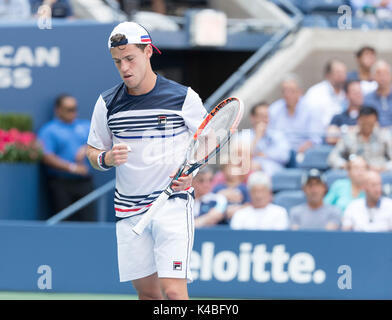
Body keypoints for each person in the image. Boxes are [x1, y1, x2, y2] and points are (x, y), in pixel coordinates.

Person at [86, 22, 207, 300]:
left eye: (130, 58)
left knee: (174, 293)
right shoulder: (106, 103)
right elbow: (92, 152)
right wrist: (106, 158)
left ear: (148, 52)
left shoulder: (183, 97)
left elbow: (210, 140)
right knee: (149, 296)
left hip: (172, 204)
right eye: (118, 62)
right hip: (129, 212)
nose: (125, 67)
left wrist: (193, 172)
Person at [38, 94, 96, 221]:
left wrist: (87, 148)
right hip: (61, 184)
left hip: (85, 183)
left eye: (75, 109)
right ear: (58, 110)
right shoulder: (49, 130)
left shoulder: (85, 126)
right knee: (64, 223)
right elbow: (46, 156)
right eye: (69, 109)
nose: (73, 112)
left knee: (89, 222)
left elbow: (101, 142)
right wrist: (72, 167)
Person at [269, 74, 323, 167]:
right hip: (279, 154)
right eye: (284, 91)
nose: (287, 94)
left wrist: (300, 149)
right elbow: (269, 135)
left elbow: (315, 138)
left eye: (291, 91)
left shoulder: (311, 109)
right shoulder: (274, 109)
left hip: (302, 153)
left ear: (300, 92)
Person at [328, 106, 392, 172]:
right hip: (355, 173)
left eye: (370, 123)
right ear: (358, 120)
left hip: (379, 173)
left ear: (376, 121)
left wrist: (383, 168)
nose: (367, 126)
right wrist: (345, 165)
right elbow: (333, 157)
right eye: (364, 123)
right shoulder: (349, 136)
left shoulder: (384, 135)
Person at [237, 102, 291, 176]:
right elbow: (241, 159)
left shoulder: (278, 135)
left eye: (267, 116)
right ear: (252, 118)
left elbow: (285, 157)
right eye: (261, 116)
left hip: (274, 173)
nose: (264, 120)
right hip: (249, 174)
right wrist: (257, 137)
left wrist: (260, 154)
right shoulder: (242, 136)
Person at [303, 59, 347, 130]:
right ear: (328, 75)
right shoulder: (315, 93)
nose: (342, 75)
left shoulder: (348, 93)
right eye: (338, 72)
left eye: (344, 72)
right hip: (321, 136)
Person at [212, 155, 250, 223]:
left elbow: (248, 205)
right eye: (228, 168)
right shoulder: (218, 188)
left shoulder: (244, 188)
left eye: (234, 167)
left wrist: (237, 210)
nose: (232, 170)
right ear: (223, 171)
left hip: (240, 221)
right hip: (220, 222)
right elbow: (211, 204)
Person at [326, 80, 364, 145]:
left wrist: (344, 131)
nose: (359, 95)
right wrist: (358, 130)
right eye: (355, 93)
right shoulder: (338, 117)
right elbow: (331, 138)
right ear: (347, 95)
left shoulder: (369, 115)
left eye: (360, 92)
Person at [363, 60, 392, 127]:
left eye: (385, 73)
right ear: (373, 76)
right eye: (379, 74)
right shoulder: (367, 99)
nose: (382, 77)